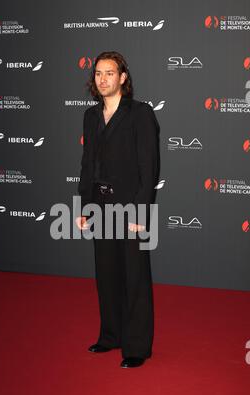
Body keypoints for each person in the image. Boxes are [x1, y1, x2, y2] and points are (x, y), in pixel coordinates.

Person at [76, 51, 160, 368]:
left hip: (131, 208)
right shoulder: (90, 116)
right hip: (100, 206)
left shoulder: (140, 114)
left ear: (123, 78)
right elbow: (87, 166)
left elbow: (148, 167)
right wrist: (85, 205)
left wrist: (141, 212)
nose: (103, 79)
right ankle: (111, 336)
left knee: (135, 276)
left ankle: (136, 347)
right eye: (98, 73)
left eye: (110, 73)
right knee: (107, 274)